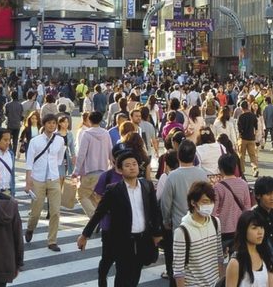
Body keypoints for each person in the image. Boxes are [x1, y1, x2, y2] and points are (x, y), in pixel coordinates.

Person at [78, 152, 162, 287]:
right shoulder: (113, 190)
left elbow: (154, 211)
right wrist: (85, 234)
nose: (132, 167)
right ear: (120, 170)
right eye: (127, 165)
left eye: (134, 164)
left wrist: (157, 234)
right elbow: (99, 213)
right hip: (123, 241)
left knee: (135, 274)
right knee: (123, 276)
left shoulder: (147, 186)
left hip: (142, 239)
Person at [160, 140, 211, 283]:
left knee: (179, 265)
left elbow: (166, 203)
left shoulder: (173, 176)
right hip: (199, 224)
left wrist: (165, 221)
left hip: (179, 226)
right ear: (194, 156)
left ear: (178, 156)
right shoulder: (202, 174)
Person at [23, 114, 66, 251]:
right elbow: (29, 163)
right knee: (36, 210)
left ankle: (52, 241)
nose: (52, 125)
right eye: (49, 123)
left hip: (54, 178)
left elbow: (59, 159)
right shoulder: (35, 141)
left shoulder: (59, 140)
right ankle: (30, 228)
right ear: (44, 124)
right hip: (38, 179)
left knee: (55, 211)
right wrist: (28, 182)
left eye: (54, 123)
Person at [172, 181, 224, 287]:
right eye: (205, 201)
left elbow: (219, 255)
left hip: (214, 283)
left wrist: (221, 282)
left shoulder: (215, 222)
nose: (209, 205)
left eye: (211, 202)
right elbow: (178, 270)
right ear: (193, 202)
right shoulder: (182, 232)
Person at [225, 210, 273, 287]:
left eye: (262, 227)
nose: (260, 232)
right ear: (244, 231)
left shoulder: (264, 255)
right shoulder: (235, 263)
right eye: (254, 228)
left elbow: (272, 284)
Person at [213, 154, 255, 252]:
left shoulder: (218, 187)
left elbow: (214, 212)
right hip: (239, 228)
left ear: (220, 169)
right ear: (235, 167)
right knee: (238, 258)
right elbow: (247, 208)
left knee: (223, 259)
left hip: (223, 229)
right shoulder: (244, 184)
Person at [75, 110, 113, 218]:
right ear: (101, 120)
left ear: (89, 120)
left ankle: (95, 218)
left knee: (81, 196)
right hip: (103, 170)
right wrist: (113, 166)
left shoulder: (86, 134)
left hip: (89, 171)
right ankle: (102, 217)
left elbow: (81, 154)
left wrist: (76, 171)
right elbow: (111, 151)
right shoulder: (106, 133)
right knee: (95, 197)